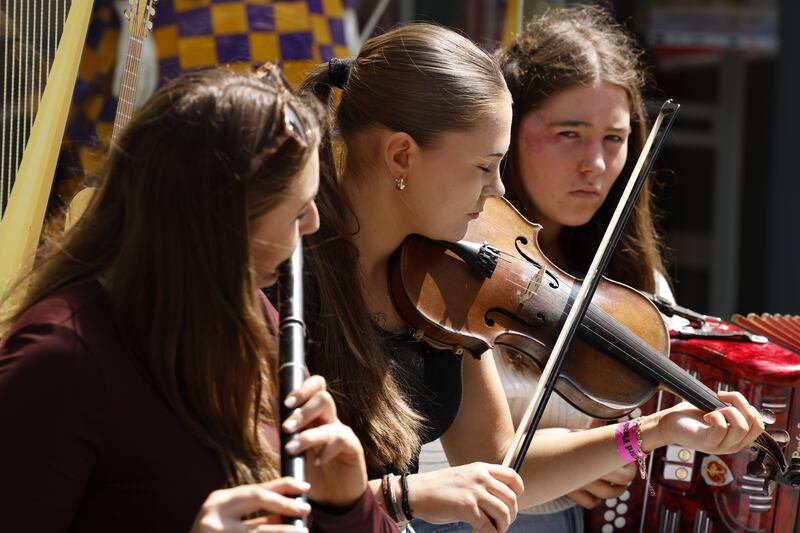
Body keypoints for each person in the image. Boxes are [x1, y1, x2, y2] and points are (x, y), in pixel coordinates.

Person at [298, 22, 765, 533]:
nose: (498, 189)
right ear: (402, 156)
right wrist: (403, 495)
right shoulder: (291, 285)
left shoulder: (443, 286)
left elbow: (501, 462)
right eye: (485, 165)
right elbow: (241, 491)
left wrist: (651, 431)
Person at [0, 66, 395, 533]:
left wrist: (347, 504)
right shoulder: (60, 360)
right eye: (296, 208)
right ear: (223, 219)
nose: (311, 224)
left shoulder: (249, 314)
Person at [416, 7, 679, 532]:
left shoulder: (637, 284)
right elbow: (424, 454)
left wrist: (608, 458)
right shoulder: (451, 259)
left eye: (614, 138)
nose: (596, 166)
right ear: (509, 130)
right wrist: (572, 459)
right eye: (568, 134)